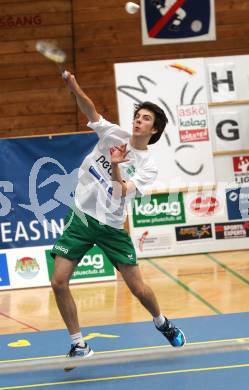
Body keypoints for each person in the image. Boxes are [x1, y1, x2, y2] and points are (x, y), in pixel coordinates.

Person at [51, 71, 186, 364]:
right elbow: (91, 111)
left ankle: (161, 321)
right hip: (81, 218)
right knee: (58, 282)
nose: (139, 120)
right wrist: (75, 87)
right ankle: (78, 344)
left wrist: (114, 165)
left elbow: (119, 194)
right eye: (138, 115)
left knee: (138, 288)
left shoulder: (148, 167)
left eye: (146, 118)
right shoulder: (113, 134)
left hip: (111, 227)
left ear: (154, 130)